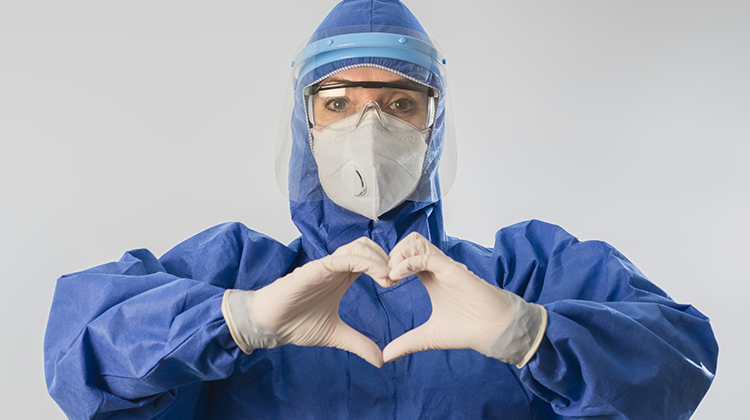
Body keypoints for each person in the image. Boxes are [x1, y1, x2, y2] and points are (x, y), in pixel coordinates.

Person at [44, 1, 718, 419]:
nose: (370, 126)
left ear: (435, 121)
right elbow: (78, 361)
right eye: (338, 103)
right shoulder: (237, 272)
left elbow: (680, 363)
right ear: (305, 123)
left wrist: (530, 334)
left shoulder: (527, 275)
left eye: (401, 104)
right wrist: (235, 321)